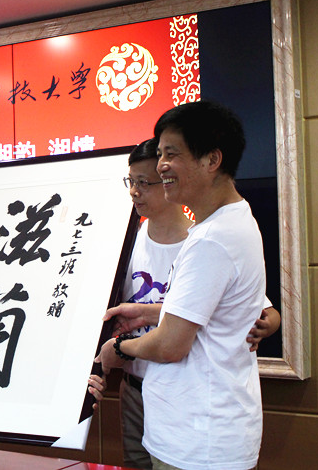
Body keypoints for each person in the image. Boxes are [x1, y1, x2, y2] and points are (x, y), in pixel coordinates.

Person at [96, 101, 270, 470]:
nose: (161, 165)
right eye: (160, 154)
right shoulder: (229, 222)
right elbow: (206, 312)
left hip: (199, 442)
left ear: (212, 160)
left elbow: (170, 345)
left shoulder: (211, 240)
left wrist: (119, 348)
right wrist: (148, 313)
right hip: (189, 428)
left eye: (171, 154)